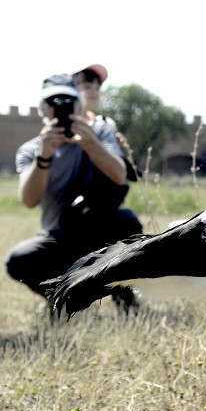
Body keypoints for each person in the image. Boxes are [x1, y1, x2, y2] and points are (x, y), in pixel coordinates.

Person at [4, 73, 142, 311]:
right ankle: (61, 298)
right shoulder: (32, 150)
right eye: (54, 102)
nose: (63, 108)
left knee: (126, 223)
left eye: (69, 101)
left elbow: (119, 175)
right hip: (58, 238)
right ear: (43, 109)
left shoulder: (98, 131)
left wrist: (90, 143)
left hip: (99, 233)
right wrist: (45, 155)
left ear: (80, 103)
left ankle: (125, 299)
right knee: (19, 260)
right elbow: (28, 200)